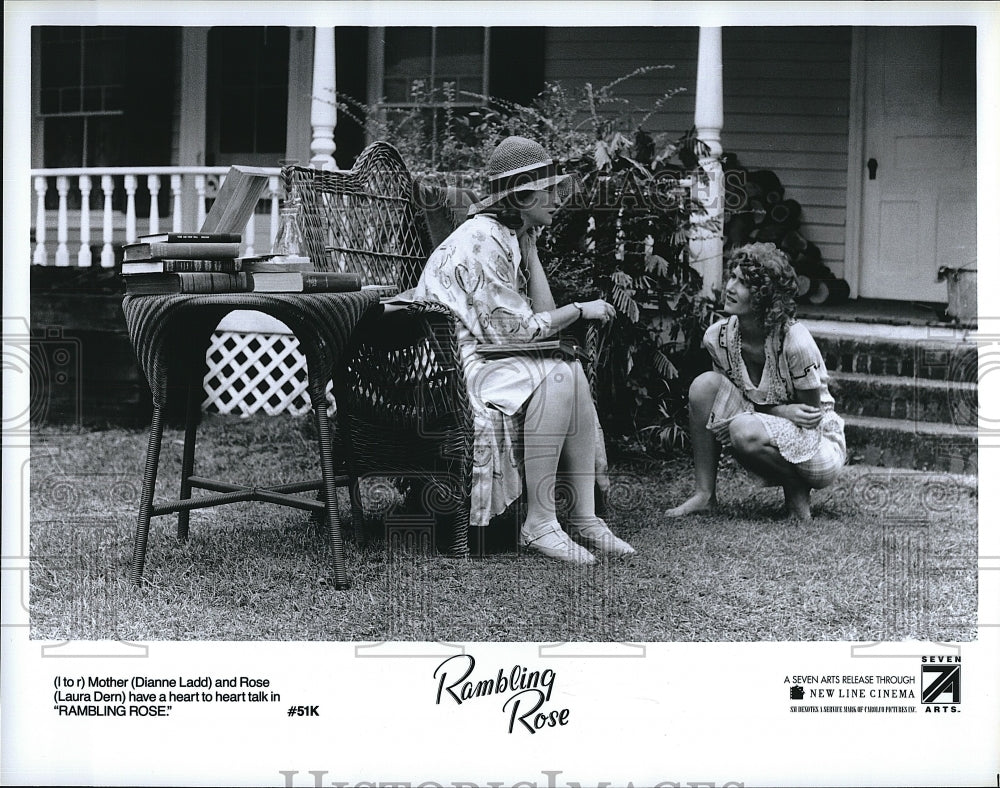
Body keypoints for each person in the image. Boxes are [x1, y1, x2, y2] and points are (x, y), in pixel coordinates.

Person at [408, 135, 634, 563]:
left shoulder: (509, 236)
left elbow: (537, 323)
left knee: (570, 369)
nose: (557, 199)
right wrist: (581, 310)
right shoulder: (484, 237)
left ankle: (583, 518)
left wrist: (531, 251)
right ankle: (540, 523)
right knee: (561, 372)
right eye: (550, 191)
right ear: (523, 195)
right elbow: (519, 333)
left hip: (491, 354)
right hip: (456, 366)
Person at [667, 242, 846, 520]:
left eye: (743, 282)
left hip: (819, 448)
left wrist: (775, 413)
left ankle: (797, 488)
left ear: (765, 295)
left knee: (743, 429)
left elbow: (809, 418)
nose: (730, 287)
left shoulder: (794, 341)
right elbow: (728, 399)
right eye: (732, 277)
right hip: (764, 425)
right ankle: (705, 494)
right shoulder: (718, 337)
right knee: (703, 387)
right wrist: (778, 411)